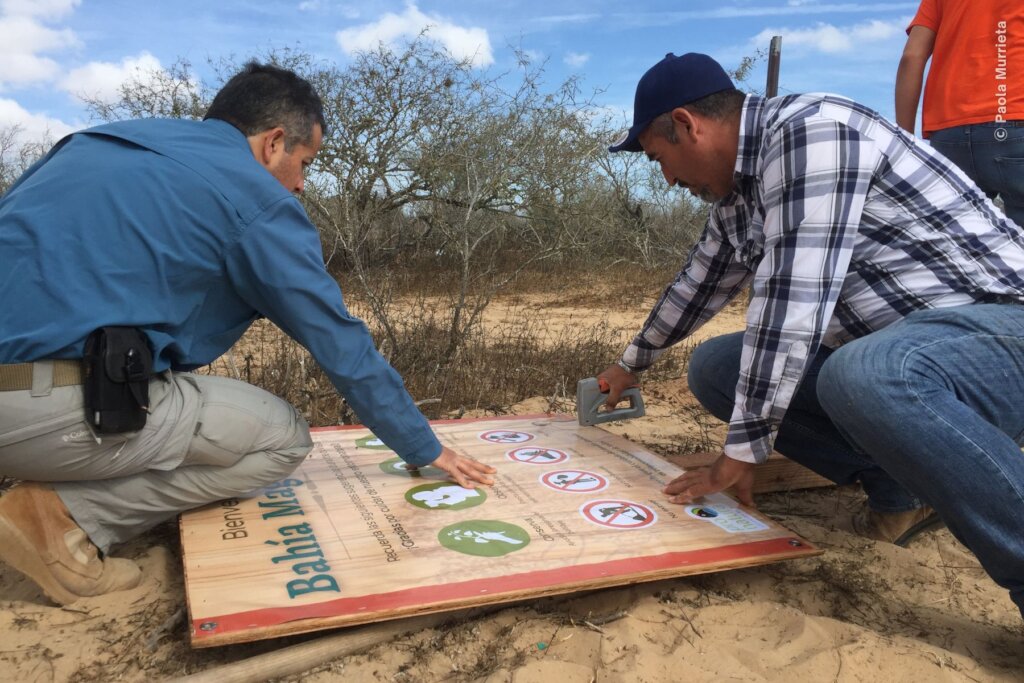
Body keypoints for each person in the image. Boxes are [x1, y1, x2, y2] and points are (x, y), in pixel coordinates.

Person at [0, 62, 495, 606]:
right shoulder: (254, 199)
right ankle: (63, 516)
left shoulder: (93, 142)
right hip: (32, 412)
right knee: (282, 436)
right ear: (273, 143)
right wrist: (423, 446)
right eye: (305, 164)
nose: (301, 184)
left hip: (25, 407)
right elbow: (339, 341)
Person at [599, 52, 1024, 618]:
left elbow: (791, 302)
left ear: (686, 124)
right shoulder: (737, 196)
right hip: (913, 353)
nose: (669, 180)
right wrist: (632, 362)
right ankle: (903, 492)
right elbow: (697, 285)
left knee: (865, 373)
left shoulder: (814, 134)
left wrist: (742, 453)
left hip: (1001, 331)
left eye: (660, 159)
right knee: (717, 367)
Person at [895, 0, 1024, 226]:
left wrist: (903, 144)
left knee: (959, 241)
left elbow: (912, 57)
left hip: (948, 134)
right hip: (1014, 119)